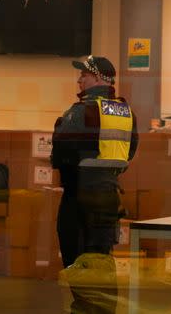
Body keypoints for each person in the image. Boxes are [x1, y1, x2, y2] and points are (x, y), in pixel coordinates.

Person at [51, 55, 139, 314]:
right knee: (102, 263)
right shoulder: (126, 113)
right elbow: (130, 151)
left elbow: (60, 156)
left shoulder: (81, 112)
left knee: (78, 265)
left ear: (99, 78)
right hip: (109, 197)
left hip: (80, 198)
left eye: (84, 75)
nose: (79, 79)